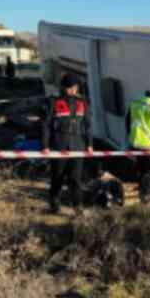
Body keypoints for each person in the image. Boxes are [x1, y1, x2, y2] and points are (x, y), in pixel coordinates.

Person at [43, 74, 92, 214]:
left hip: (78, 145)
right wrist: (45, 145)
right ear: (64, 87)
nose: (73, 90)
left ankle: (78, 206)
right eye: (70, 87)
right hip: (59, 146)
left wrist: (89, 144)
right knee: (57, 177)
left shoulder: (82, 102)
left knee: (76, 178)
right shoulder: (53, 101)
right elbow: (46, 125)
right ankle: (54, 203)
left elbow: (88, 125)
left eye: (75, 87)